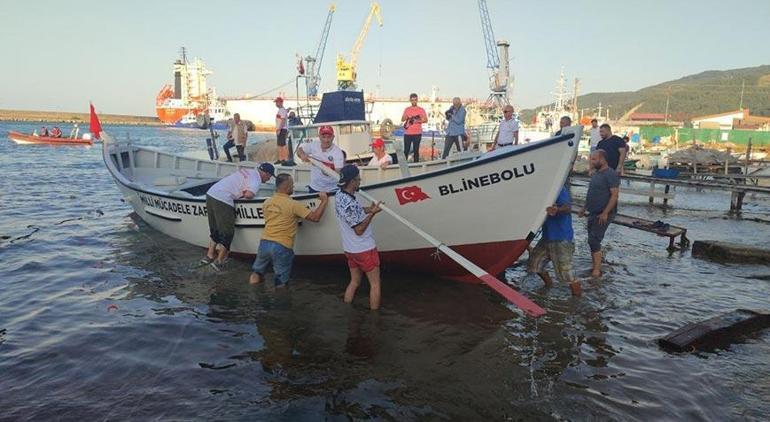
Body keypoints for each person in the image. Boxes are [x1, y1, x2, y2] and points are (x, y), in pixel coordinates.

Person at [249, 173, 329, 287]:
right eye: (292, 185)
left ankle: (253, 297)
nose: (294, 187)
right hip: (282, 245)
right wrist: (324, 201)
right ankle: (280, 302)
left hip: (264, 243)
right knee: (281, 282)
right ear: (287, 186)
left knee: (256, 273)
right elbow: (315, 218)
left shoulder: (267, 203)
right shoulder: (293, 205)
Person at [203, 162, 276, 268]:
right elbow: (249, 195)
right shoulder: (256, 180)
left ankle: (209, 256)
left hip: (211, 193)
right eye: (269, 176)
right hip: (223, 199)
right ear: (265, 173)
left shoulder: (249, 171)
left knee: (215, 228)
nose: (269, 179)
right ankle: (219, 261)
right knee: (227, 232)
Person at [334, 165, 382, 310]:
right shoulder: (350, 202)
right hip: (364, 248)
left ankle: (347, 308)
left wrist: (369, 209)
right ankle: (375, 318)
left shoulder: (339, 195)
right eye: (358, 178)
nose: (360, 180)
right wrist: (373, 214)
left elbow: (354, 212)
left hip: (350, 249)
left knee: (354, 281)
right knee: (375, 284)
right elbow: (359, 230)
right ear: (352, 181)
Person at [528, 185, 581, 296]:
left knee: (566, 274)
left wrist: (557, 209)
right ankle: (549, 285)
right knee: (534, 264)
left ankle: (578, 299)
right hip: (546, 237)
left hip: (561, 238)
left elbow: (568, 207)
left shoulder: (558, 188)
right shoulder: (542, 189)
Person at [579, 150, 620, 278]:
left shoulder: (610, 174)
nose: (592, 162)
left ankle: (597, 270)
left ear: (602, 159)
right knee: (591, 240)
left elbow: (614, 195)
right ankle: (595, 265)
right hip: (592, 211)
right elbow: (591, 192)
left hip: (603, 213)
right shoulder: (596, 174)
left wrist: (605, 213)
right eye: (591, 159)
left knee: (594, 240)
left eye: (594, 159)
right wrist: (584, 208)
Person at [296, 125, 345, 192]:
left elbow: (338, 172)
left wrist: (327, 171)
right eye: (323, 137)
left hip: (332, 189)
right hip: (314, 187)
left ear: (333, 137)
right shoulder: (314, 145)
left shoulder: (337, 153)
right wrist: (302, 155)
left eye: (329, 137)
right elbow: (299, 150)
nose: (326, 140)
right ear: (319, 137)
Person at [400, 93, 427, 162]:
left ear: (417, 100)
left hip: (417, 133)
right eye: (412, 100)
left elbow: (426, 120)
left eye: (415, 100)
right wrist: (406, 117)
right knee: (406, 150)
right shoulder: (407, 109)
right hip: (408, 133)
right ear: (410, 100)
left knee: (416, 151)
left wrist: (417, 120)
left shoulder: (421, 109)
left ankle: (416, 166)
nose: (414, 101)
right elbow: (402, 119)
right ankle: (404, 166)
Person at [275, 97, 289, 164]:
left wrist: (279, 129)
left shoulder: (282, 110)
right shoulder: (281, 110)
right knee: (279, 144)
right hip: (280, 129)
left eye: (277, 102)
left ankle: (284, 159)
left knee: (282, 144)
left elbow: (283, 120)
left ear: (280, 102)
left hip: (282, 129)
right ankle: (281, 159)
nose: (276, 104)